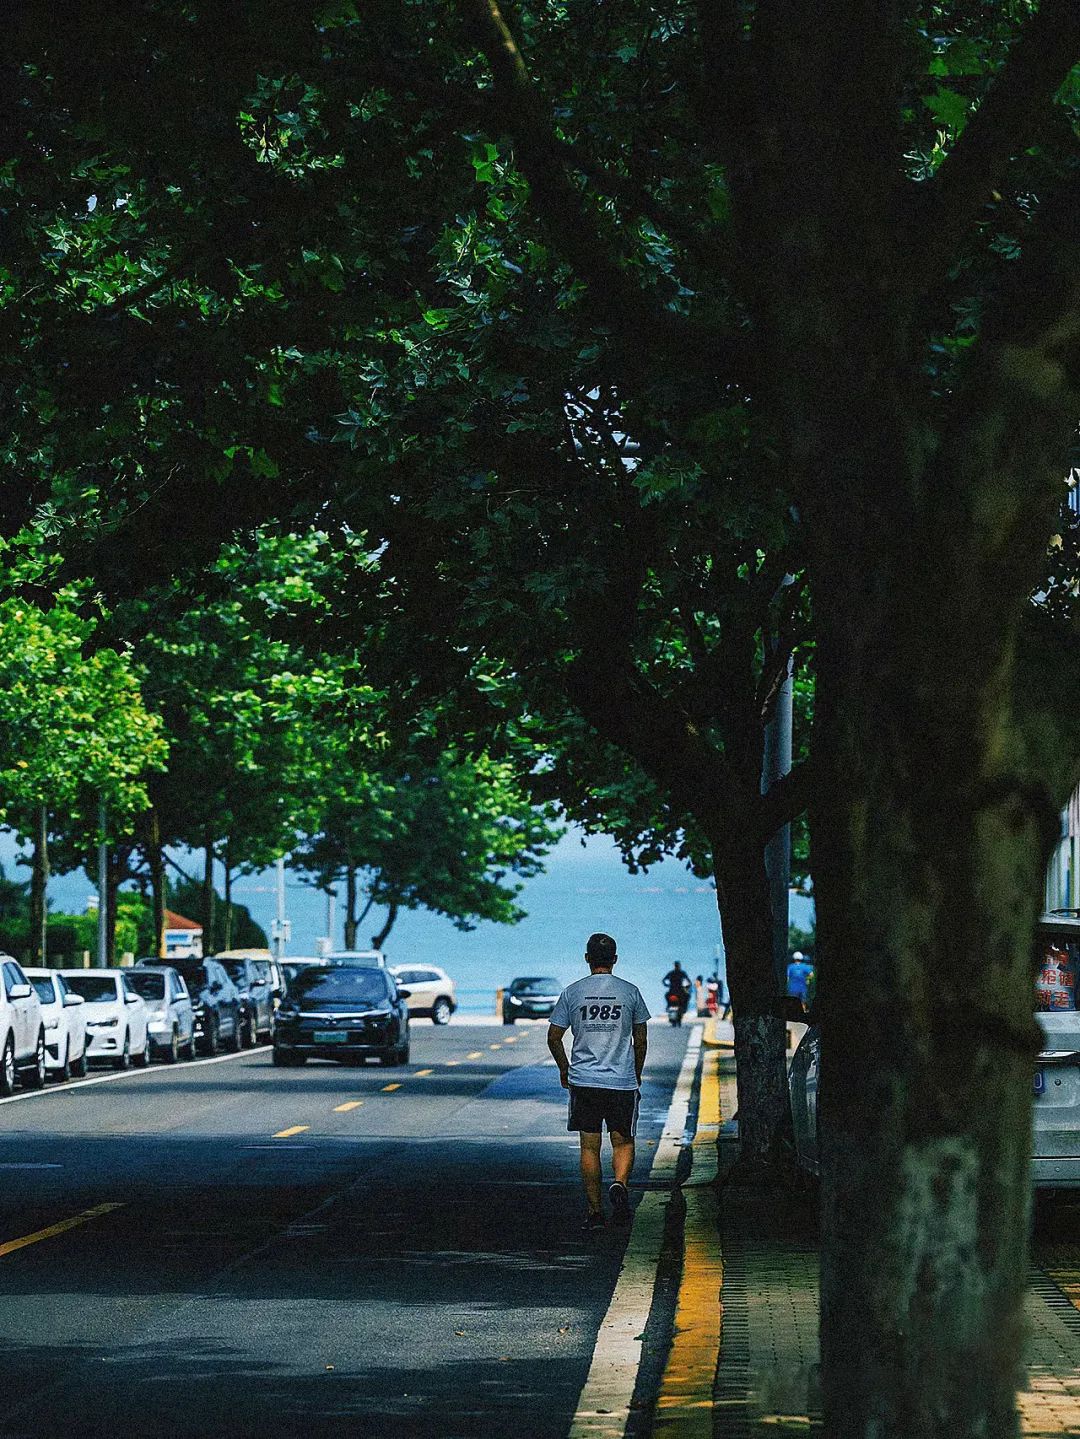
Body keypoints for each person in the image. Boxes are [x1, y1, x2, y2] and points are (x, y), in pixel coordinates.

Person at [548, 933, 650, 1232]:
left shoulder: (572, 992)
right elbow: (641, 1039)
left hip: (585, 1081)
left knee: (590, 1147)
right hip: (621, 1081)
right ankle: (619, 1184)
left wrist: (564, 1069)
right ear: (615, 959)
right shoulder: (630, 992)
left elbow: (554, 1037)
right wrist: (637, 1070)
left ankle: (594, 1212)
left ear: (587, 958)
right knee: (623, 1140)